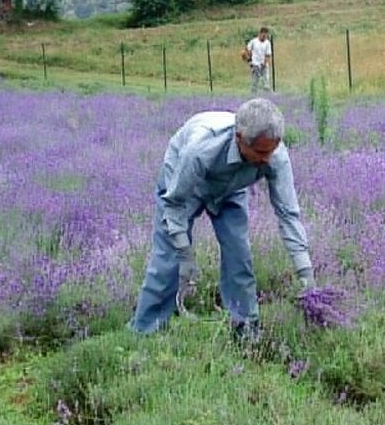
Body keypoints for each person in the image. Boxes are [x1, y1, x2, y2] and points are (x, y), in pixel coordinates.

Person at [128, 98, 316, 340]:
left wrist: (305, 271)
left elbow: (288, 214)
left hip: (230, 189)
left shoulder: (274, 154)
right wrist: (185, 253)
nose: (267, 159)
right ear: (239, 139)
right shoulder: (200, 150)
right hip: (185, 187)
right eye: (260, 152)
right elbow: (173, 205)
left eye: (271, 151)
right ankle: (145, 330)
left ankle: (246, 331)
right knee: (168, 259)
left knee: (239, 256)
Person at [246, 27, 272, 94]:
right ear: (260, 34)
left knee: (266, 83)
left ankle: (268, 96)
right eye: (263, 35)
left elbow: (268, 55)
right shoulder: (253, 41)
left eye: (266, 36)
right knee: (255, 83)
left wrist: (264, 63)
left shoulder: (267, 43)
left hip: (264, 65)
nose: (264, 37)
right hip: (255, 65)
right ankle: (253, 96)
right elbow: (247, 50)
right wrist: (251, 62)